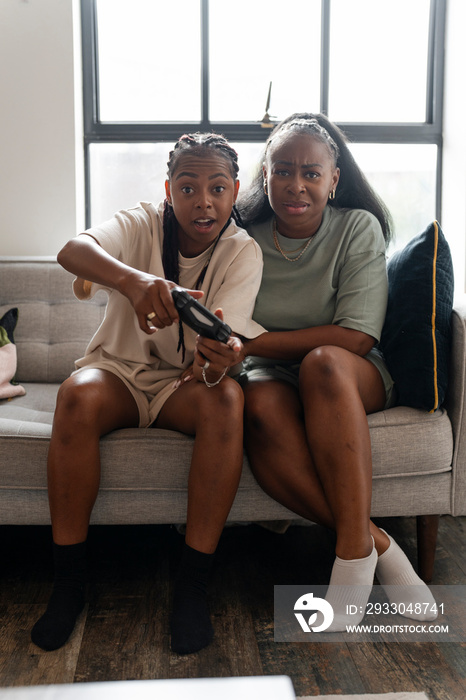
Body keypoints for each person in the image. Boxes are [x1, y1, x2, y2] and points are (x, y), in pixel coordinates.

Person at [31, 132, 264, 654]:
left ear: (235, 192)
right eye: (188, 187)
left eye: (217, 188)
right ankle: (68, 585)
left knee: (229, 401)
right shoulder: (140, 222)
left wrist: (222, 357)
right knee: (75, 394)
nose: (203, 200)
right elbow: (73, 251)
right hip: (117, 372)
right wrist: (135, 283)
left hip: (187, 385)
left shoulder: (242, 252)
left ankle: (192, 587)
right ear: (168, 189)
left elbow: (224, 344)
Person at [236, 113, 437, 630]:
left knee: (323, 361)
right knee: (255, 402)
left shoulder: (356, 227)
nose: (295, 184)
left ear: (334, 179)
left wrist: (257, 342)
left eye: (310, 172)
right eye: (282, 170)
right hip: (271, 374)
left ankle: (349, 556)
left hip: (346, 373)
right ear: (266, 176)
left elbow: (356, 336)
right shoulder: (242, 238)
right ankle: (377, 544)